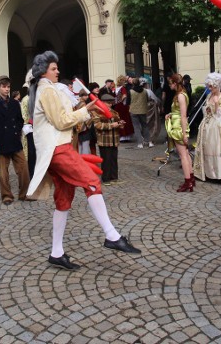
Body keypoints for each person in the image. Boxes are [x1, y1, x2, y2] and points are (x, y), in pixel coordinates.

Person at [26, 51, 140, 271]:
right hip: (58, 149)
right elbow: (61, 121)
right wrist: (86, 110)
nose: (58, 71)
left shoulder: (44, 89)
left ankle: (56, 252)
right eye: (53, 68)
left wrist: (81, 108)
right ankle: (111, 235)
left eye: (57, 67)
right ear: (43, 71)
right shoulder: (47, 89)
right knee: (92, 182)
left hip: (56, 149)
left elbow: (60, 118)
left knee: (64, 200)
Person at [0, 75, 30, 205]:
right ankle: (6, 195)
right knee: (3, 173)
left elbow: (20, 120)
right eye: (4, 87)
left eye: (8, 87)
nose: (6, 89)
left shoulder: (15, 103)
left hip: (15, 140)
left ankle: (24, 194)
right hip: (1, 143)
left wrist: (17, 130)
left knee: (23, 169)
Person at [165, 73, 194, 192]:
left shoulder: (181, 96)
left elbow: (183, 116)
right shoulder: (181, 95)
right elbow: (179, 113)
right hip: (178, 125)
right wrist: (171, 114)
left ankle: (188, 182)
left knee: (183, 155)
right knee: (185, 154)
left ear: (175, 83)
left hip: (178, 127)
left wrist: (183, 133)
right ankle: (191, 179)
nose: (169, 86)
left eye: (170, 83)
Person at [92, 106, 123, 183]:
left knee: (113, 159)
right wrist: (111, 125)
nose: (109, 105)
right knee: (106, 160)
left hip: (114, 139)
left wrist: (120, 124)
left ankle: (114, 177)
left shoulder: (114, 112)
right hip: (104, 140)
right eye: (107, 103)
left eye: (110, 103)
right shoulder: (97, 112)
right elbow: (97, 125)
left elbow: (118, 122)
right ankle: (106, 179)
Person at [20, 72, 37, 178]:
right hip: (30, 130)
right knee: (31, 154)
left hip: (39, 129)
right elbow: (24, 116)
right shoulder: (26, 99)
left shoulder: (38, 98)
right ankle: (31, 176)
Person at [128, 77, 153, 148]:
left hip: (133, 111)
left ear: (133, 83)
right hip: (143, 110)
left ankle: (140, 143)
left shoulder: (130, 91)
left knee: (136, 127)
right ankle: (149, 142)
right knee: (145, 125)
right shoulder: (145, 91)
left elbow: (127, 102)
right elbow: (147, 100)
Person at [114, 75, 134, 142]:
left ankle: (124, 136)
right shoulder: (121, 88)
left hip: (120, 105)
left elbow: (124, 96)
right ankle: (124, 136)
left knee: (121, 119)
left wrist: (118, 102)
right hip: (121, 105)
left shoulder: (119, 88)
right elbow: (124, 96)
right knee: (123, 119)